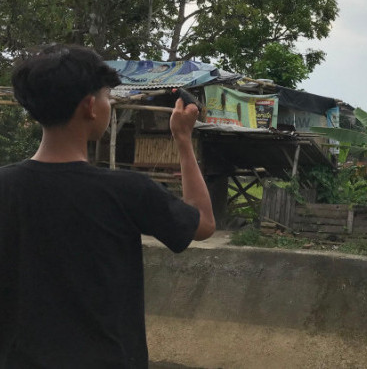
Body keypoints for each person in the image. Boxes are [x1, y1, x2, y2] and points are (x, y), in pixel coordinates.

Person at [0, 45, 215, 368]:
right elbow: (203, 224)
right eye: (107, 98)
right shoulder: (127, 191)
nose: (109, 105)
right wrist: (183, 140)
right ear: (90, 107)